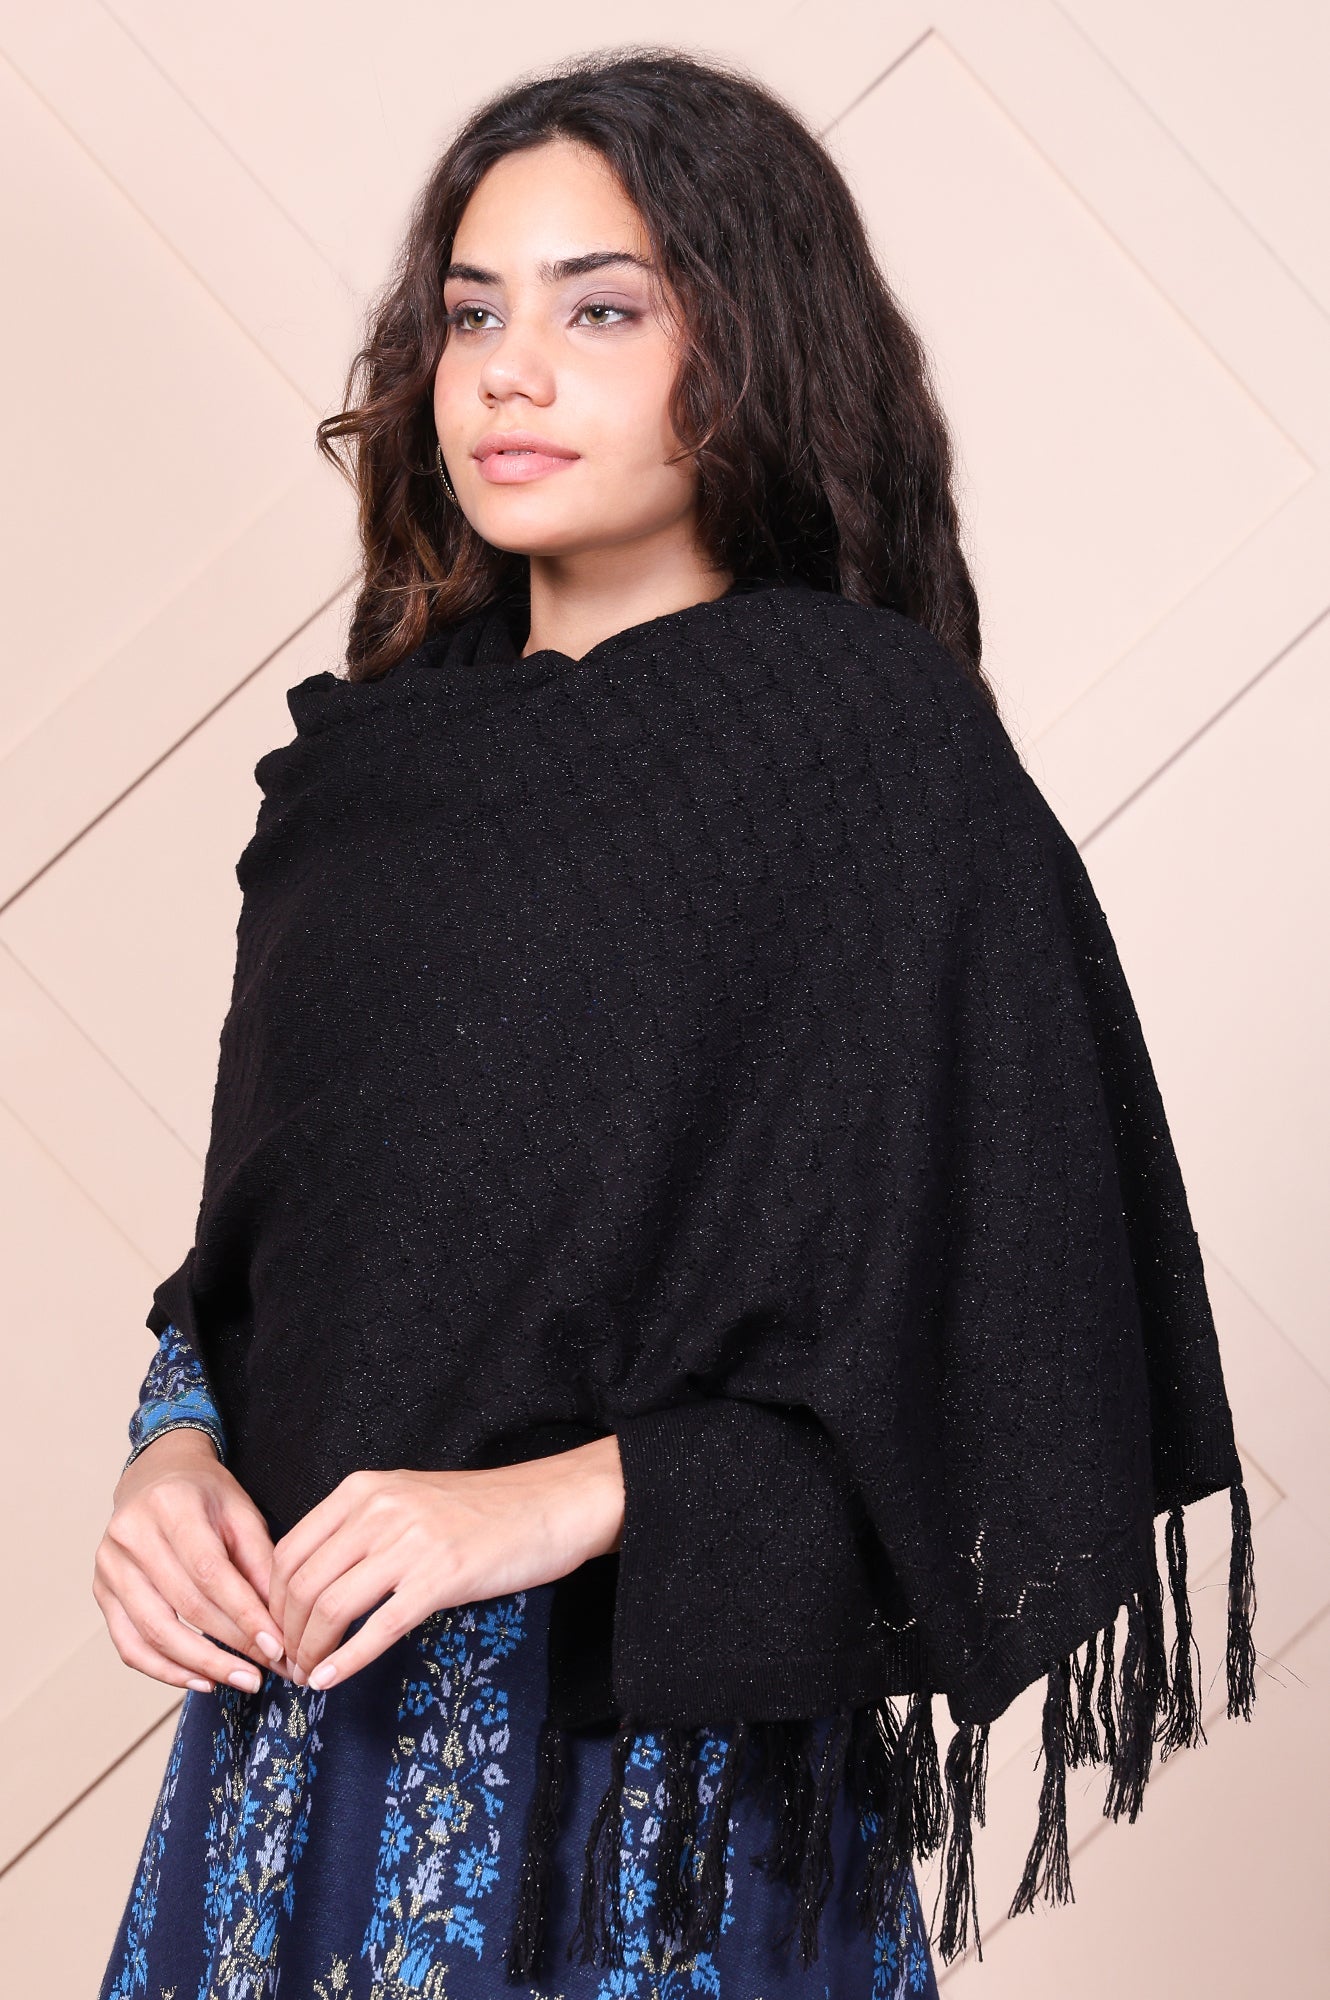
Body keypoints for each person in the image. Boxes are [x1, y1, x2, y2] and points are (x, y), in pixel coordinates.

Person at [95, 46, 1256, 2000]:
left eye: (601, 310)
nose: (507, 373)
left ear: (749, 343)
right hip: (292, 1768)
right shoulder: (360, 778)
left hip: (652, 1807)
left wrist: (554, 1500)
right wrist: (172, 1456)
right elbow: (269, 1268)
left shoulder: (869, 758)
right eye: (472, 312)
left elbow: (980, 1344)